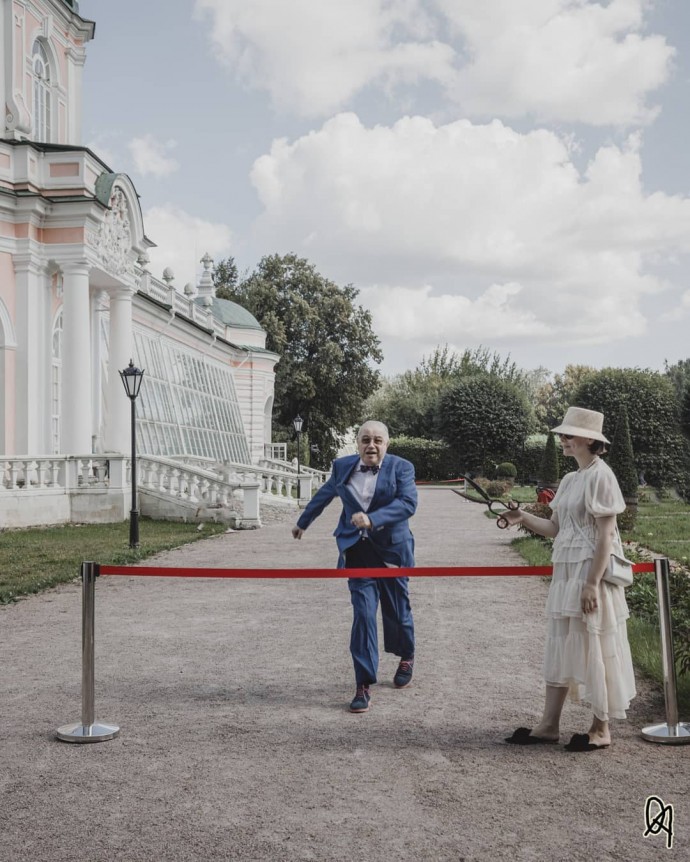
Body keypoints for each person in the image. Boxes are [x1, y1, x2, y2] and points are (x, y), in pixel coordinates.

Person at [502, 406, 636, 752]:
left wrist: (592, 583)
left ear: (590, 440)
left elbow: (606, 536)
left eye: (568, 434)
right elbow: (555, 529)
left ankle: (601, 727)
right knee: (561, 643)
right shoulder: (570, 479)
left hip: (592, 573)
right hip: (567, 572)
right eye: (562, 434)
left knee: (596, 642)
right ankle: (548, 725)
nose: (562, 440)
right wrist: (522, 517)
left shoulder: (601, 475)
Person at [292, 420, 417, 713]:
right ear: (357, 442)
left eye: (377, 440)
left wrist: (373, 519)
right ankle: (363, 683)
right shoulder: (342, 466)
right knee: (363, 615)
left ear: (387, 443)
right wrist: (302, 523)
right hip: (357, 551)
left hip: (391, 551)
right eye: (365, 440)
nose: (371, 445)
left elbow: (408, 503)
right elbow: (324, 496)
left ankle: (406, 655)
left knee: (397, 611)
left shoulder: (402, 468)